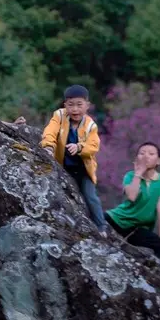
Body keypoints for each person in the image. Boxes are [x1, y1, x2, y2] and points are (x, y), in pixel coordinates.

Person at [40, 85, 107, 235]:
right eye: (71, 105)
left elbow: (93, 146)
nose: (75, 109)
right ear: (65, 105)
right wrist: (48, 146)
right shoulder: (59, 116)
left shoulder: (90, 125)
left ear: (87, 105)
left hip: (83, 169)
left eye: (79, 105)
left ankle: (101, 226)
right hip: (63, 166)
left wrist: (79, 147)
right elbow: (50, 131)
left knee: (90, 196)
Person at [105, 142, 160, 263]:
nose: (146, 156)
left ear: (158, 161)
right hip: (116, 220)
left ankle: (157, 274)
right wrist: (138, 174)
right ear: (136, 158)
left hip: (136, 229)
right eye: (142, 153)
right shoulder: (130, 176)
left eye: (151, 154)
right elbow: (132, 196)